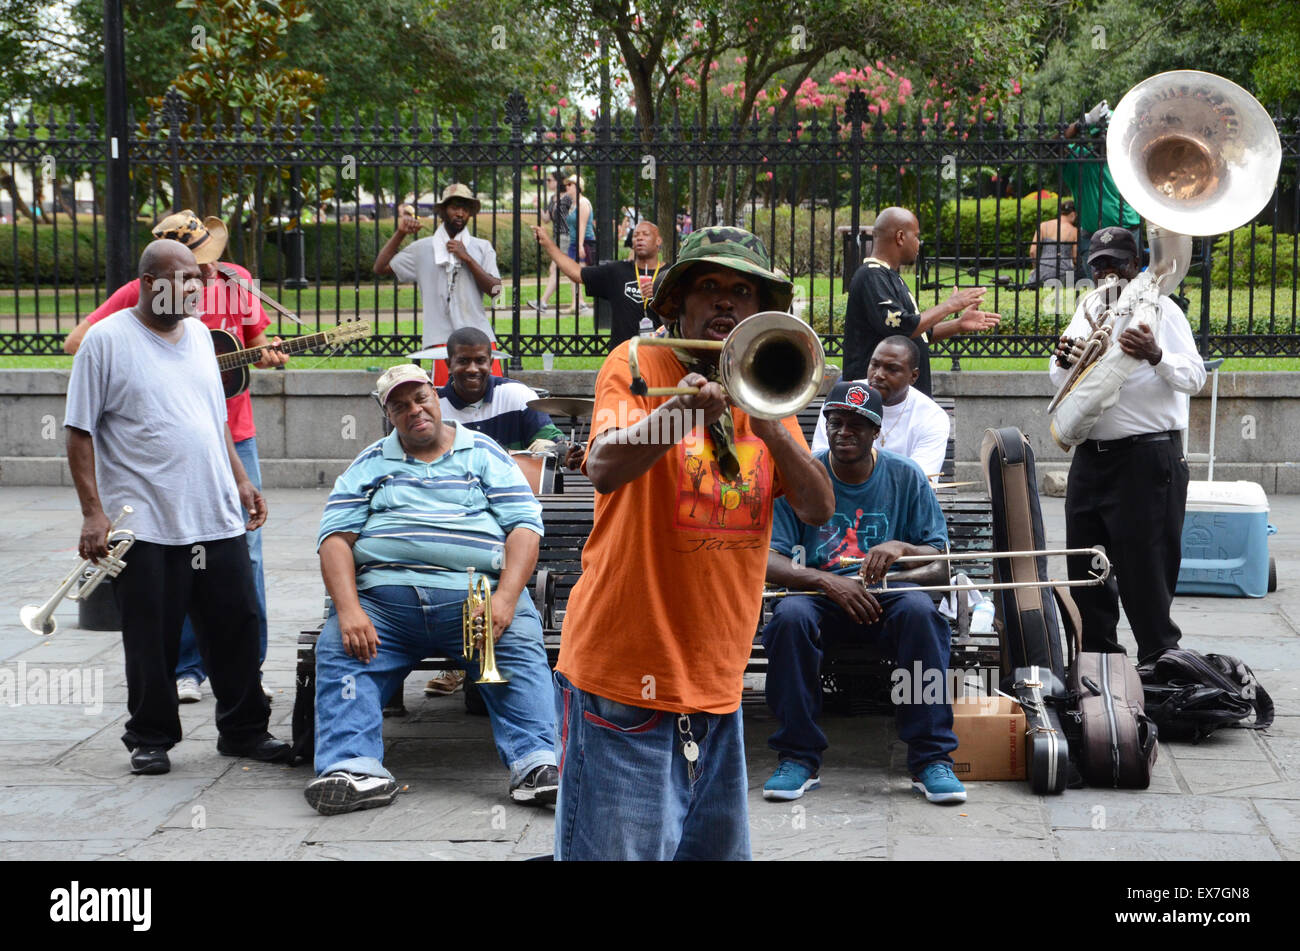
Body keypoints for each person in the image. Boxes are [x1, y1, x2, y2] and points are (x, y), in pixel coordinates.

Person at [553, 226, 835, 861]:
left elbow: (817, 506)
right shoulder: (635, 362)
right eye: (709, 287)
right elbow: (603, 466)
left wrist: (772, 427)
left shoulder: (764, 377)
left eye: (743, 290)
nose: (726, 302)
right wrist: (681, 412)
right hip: (626, 682)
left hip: (717, 685)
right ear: (677, 302)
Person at [63, 239, 291, 775]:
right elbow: (78, 432)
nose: (194, 288)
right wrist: (93, 513)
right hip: (144, 523)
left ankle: (243, 730)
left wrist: (241, 481)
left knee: (236, 624)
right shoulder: (107, 342)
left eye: (196, 279)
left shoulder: (198, 340)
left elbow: (212, 419)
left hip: (214, 515)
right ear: (147, 284)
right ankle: (151, 736)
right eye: (180, 280)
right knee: (151, 636)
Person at [306, 365, 559, 815]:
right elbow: (334, 540)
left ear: (436, 396)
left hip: (474, 602)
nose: (413, 410)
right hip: (385, 605)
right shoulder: (369, 463)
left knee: (514, 648)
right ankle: (354, 770)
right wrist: (348, 610)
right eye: (399, 406)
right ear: (388, 415)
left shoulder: (483, 452)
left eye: (420, 398)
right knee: (344, 653)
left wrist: (504, 598)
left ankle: (537, 766)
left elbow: (524, 526)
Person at [760, 381, 965, 804]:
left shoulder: (905, 475)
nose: (843, 432)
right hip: (820, 597)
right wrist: (825, 580)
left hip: (887, 596)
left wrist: (902, 548)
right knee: (789, 618)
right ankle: (798, 756)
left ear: (877, 433)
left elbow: (939, 560)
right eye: (835, 422)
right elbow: (768, 562)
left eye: (857, 424)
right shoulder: (800, 478)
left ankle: (931, 759)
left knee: (921, 614)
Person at [1050, 226, 1205, 662]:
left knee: (1145, 573)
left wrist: (1156, 354)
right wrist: (1066, 363)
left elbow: (1194, 376)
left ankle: (1159, 663)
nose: (1107, 273)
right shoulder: (1087, 308)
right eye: (1098, 264)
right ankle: (1099, 663)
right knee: (1084, 565)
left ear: (1135, 263)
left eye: (1117, 263)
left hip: (1146, 458)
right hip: (1091, 457)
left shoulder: (1163, 311)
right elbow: (1061, 381)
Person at [415, 326, 582, 700]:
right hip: (457, 515)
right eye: (463, 361)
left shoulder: (516, 395)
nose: (472, 369)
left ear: (491, 362)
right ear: (448, 364)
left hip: (509, 515)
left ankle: (497, 653)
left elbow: (551, 441)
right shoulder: (435, 407)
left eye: (480, 361)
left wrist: (550, 448)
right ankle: (457, 657)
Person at [841, 206, 1001, 394]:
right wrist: (950, 305)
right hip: (875, 400)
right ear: (900, 237)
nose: (918, 243)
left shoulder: (889, 277)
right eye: (916, 236)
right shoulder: (871, 276)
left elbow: (915, 332)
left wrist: (958, 324)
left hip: (894, 399)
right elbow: (903, 326)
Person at [373, 183, 504, 381]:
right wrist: (400, 234)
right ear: (442, 211)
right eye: (454, 207)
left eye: (465, 209)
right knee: (447, 404)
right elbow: (380, 268)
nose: (460, 213)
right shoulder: (422, 249)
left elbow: (496, 291)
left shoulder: (481, 247)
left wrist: (467, 258)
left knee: (489, 402)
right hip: (441, 343)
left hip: (479, 340)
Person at [811, 335, 950, 477]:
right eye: (875, 365)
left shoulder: (932, 417)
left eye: (892, 369)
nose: (878, 375)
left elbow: (920, 478)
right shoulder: (842, 399)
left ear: (913, 376)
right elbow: (821, 462)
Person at [530, 219, 666, 348]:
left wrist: (661, 292)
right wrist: (548, 244)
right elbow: (576, 273)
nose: (639, 238)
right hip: (622, 357)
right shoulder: (616, 271)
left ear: (658, 240)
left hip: (660, 354)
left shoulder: (669, 274)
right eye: (636, 235)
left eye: (645, 234)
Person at [1062, 101, 1142, 280]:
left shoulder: (1129, 158)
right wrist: (1085, 120)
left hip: (1127, 231)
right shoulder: (1079, 158)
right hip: (1092, 233)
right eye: (1102, 133)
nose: (1105, 138)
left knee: (1127, 284)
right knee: (1097, 286)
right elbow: (1050, 146)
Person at [531, 171, 572, 313]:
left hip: (566, 236)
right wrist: (537, 206)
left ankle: (543, 302)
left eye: (549, 180)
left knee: (554, 269)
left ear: (557, 181)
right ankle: (580, 303)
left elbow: (570, 216)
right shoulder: (552, 198)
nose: (547, 183)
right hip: (557, 237)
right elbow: (547, 219)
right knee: (565, 269)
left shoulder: (567, 197)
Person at [1028, 199, 1080, 286]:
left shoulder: (1043, 225)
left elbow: (1032, 251)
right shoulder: (1074, 231)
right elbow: (1075, 257)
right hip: (1063, 274)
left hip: (1042, 271)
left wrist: (1036, 269)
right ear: (1073, 214)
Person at [563, 174, 595, 314]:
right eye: (567, 185)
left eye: (570, 185)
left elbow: (582, 225)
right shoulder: (573, 204)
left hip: (584, 242)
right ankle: (578, 303)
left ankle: (580, 303)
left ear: (578, 187)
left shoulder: (583, 203)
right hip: (574, 242)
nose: (567, 187)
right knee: (572, 274)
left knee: (582, 274)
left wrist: (581, 245)